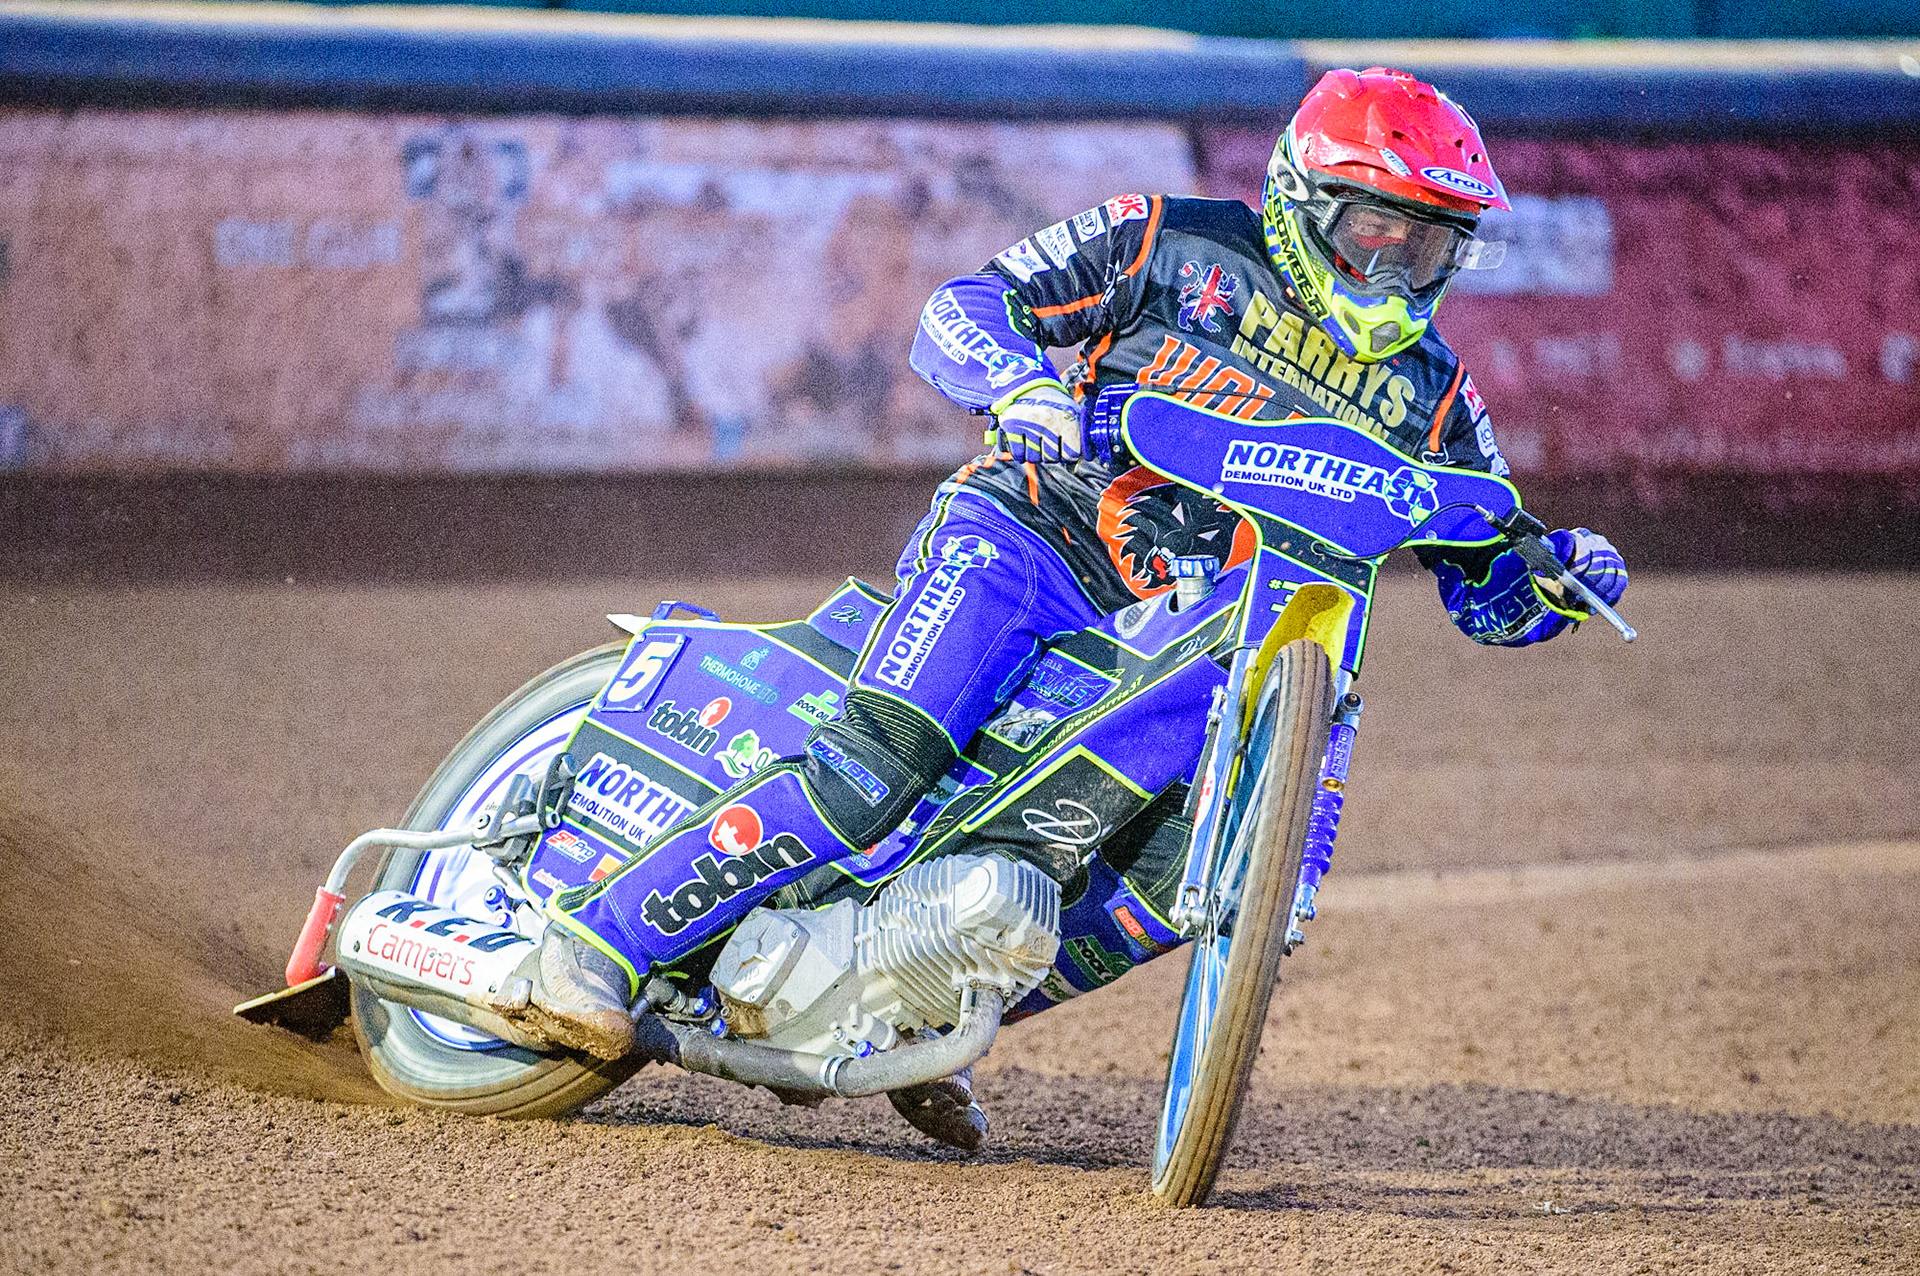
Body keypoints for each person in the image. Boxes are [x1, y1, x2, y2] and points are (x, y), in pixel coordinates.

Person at [501, 66, 1628, 1147]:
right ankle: (594, 941)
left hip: (1201, 647)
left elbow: (1489, 590)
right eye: (1374, 230)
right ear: (1302, 199)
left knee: (1153, 889)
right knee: (873, 768)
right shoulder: (1166, 239)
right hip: (1027, 544)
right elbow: (963, 307)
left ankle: (922, 1017)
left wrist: (1560, 577)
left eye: (1426, 245)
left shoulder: (1439, 399)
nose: (1393, 268)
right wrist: (1022, 380)